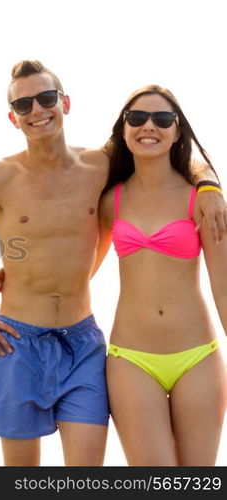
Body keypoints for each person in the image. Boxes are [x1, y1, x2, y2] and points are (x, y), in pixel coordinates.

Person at [0, 60, 227, 466]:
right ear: (13, 118)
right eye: (24, 105)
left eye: (46, 98)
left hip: (83, 343)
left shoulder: (99, 167)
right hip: (16, 340)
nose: (37, 110)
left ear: (64, 102)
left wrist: (208, 184)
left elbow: (165, 145)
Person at [93, 85, 226, 465]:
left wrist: (210, 183)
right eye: (137, 118)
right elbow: (81, 270)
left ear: (177, 130)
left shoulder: (201, 199)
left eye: (162, 119)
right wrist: (18, 273)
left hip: (197, 356)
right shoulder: (109, 201)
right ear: (123, 129)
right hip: (131, 359)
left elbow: (223, 287)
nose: (148, 126)